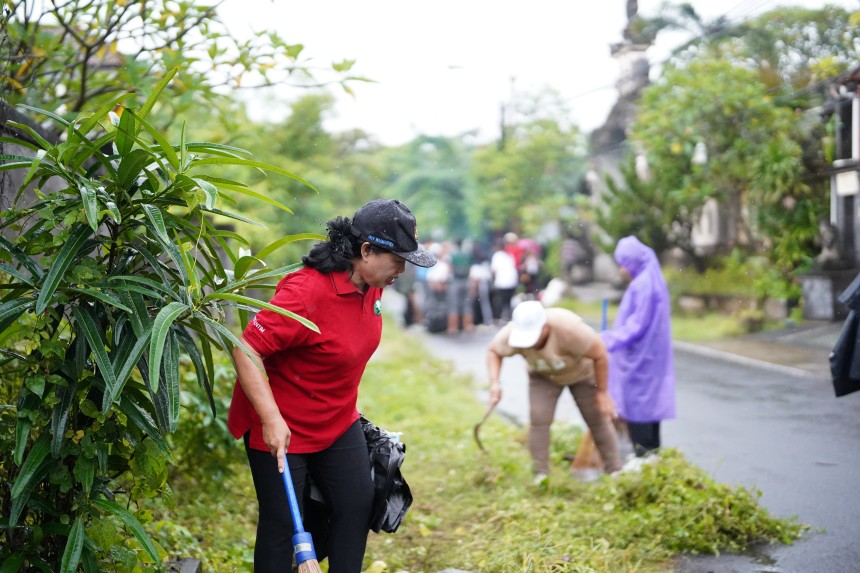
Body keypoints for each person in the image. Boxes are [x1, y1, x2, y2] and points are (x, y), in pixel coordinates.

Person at [227, 199, 436, 573]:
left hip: (337, 421)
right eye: (398, 260)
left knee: (357, 504)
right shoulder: (306, 294)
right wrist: (272, 419)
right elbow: (246, 350)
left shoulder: (372, 283)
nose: (402, 270)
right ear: (366, 250)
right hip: (281, 424)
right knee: (282, 525)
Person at [486, 300, 622, 482]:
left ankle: (615, 471)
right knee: (539, 420)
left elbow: (600, 354)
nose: (530, 344)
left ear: (545, 327)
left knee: (597, 419)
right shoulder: (511, 334)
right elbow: (493, 351)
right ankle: (541, 475)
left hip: (581, 374)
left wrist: (602, 392)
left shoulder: (570, 330)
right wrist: (495, 383)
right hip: (543, 377)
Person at [600, 236, 675, 458]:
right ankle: (653, 459)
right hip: (650, 356)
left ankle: (643, 459)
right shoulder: (651, 279)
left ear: (633, 261)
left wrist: (608, 340)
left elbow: (637, 324)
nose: (622, 270)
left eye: (623, 264)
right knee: (650, 409)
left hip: (640, 359)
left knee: (637, 409)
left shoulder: (643, 285)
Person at [489, 238, 519, 324]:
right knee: (508, 301)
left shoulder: (497, 255)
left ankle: (498, 318)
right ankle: (508, 317)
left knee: (499, 301)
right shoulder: (509, 255)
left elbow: (494, 270)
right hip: (511, 282)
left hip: (501, 282)